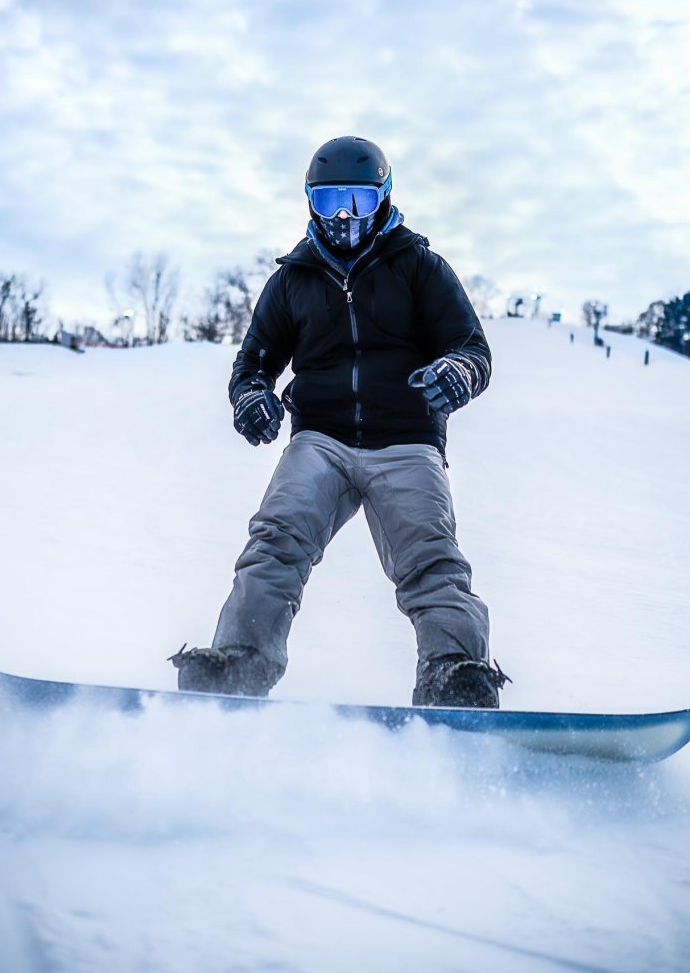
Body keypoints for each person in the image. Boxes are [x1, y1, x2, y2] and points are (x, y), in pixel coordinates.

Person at [171, 135, 509, 708]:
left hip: (405, 438)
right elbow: (252, 364)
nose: (344, 217)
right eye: (330, 202)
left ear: (384, 198)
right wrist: (251, 397)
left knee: (430, 555)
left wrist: (457, 372)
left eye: (358, 200)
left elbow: (472, 348)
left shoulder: (419, 267)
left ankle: (452, 673)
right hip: (321, 440)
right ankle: (241, 661)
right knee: (277, 539)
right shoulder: (292, 281)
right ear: (310, 202)